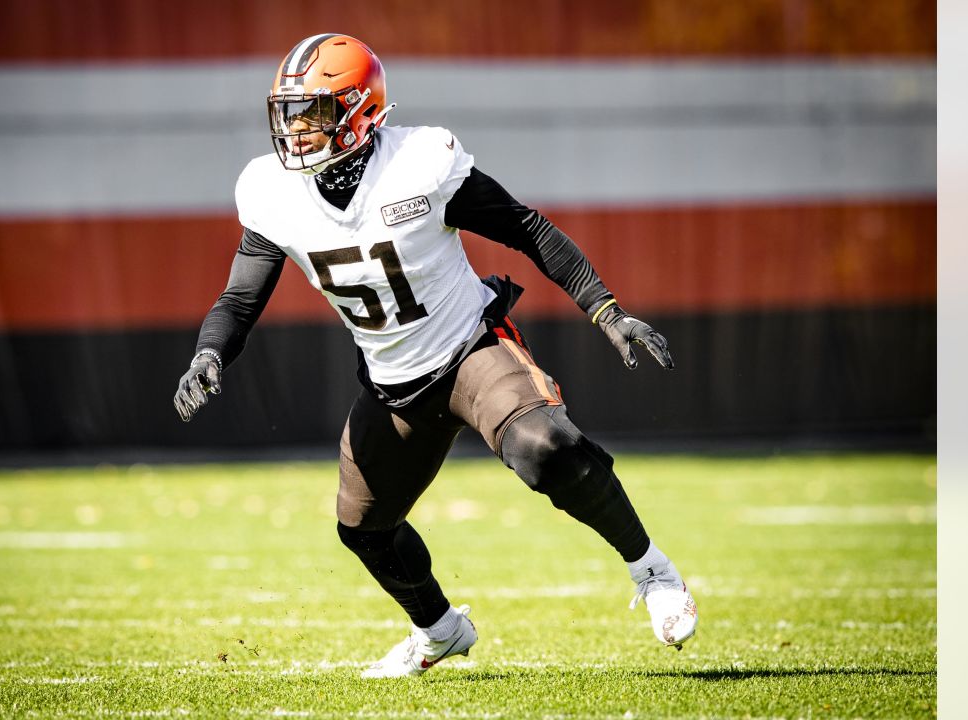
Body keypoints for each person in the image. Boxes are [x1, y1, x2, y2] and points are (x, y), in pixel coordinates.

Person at [173, 33, 697, 679]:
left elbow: (525, 227)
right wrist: (208, 355)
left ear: (361, 110)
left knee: (545, 446)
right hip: (392, 380)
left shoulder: (420, 161)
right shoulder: (269, 189)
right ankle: (439, 631)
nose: (297, 131)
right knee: (363, 529)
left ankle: (654, 572)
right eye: (289, 114)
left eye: (315, 113)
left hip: (469, 347)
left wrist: (605, 309)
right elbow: (240, 296)